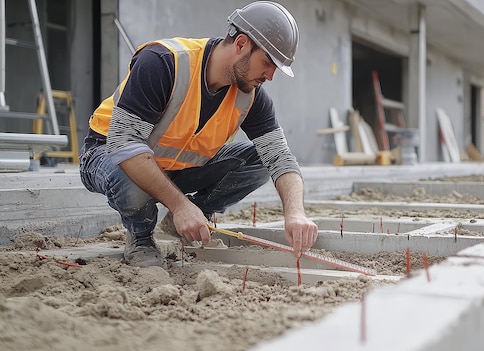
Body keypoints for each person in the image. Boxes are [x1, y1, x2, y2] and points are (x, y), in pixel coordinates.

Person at [79, 1, 318, 267]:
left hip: (176, 168)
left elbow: (280, 157)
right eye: (268, 62)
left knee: (261, 159)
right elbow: (124, 143)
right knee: (131, 178)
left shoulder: (250, 96)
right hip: (108, 154)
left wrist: (295, 213)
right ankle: (141, 236)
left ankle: (190, 217)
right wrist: (181, 205)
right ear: (241, 44)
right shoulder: (163, 62)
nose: (270, 76)